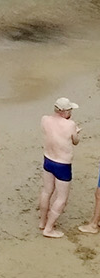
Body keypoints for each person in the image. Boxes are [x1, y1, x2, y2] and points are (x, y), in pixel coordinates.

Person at [41, 98, 82, 237]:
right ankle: (49, 229)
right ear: (64, 111)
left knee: (47, 192)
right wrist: (76, 132)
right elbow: (75, 141)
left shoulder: (45, 119)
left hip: (48, 159)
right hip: (62, 163)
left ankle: (42, 222)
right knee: (62, 198)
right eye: (70, 110)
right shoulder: (70, 124)